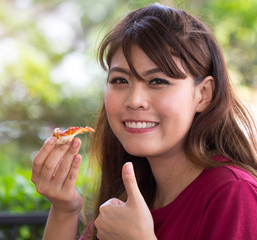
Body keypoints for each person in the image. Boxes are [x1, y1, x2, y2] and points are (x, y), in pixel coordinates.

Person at [31, 3, 257, 240]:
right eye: (120, 80)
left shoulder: (234, 193)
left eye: (158, 81)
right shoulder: (133, 195)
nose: (134, 100)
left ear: (203, 94)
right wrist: (64, 209)